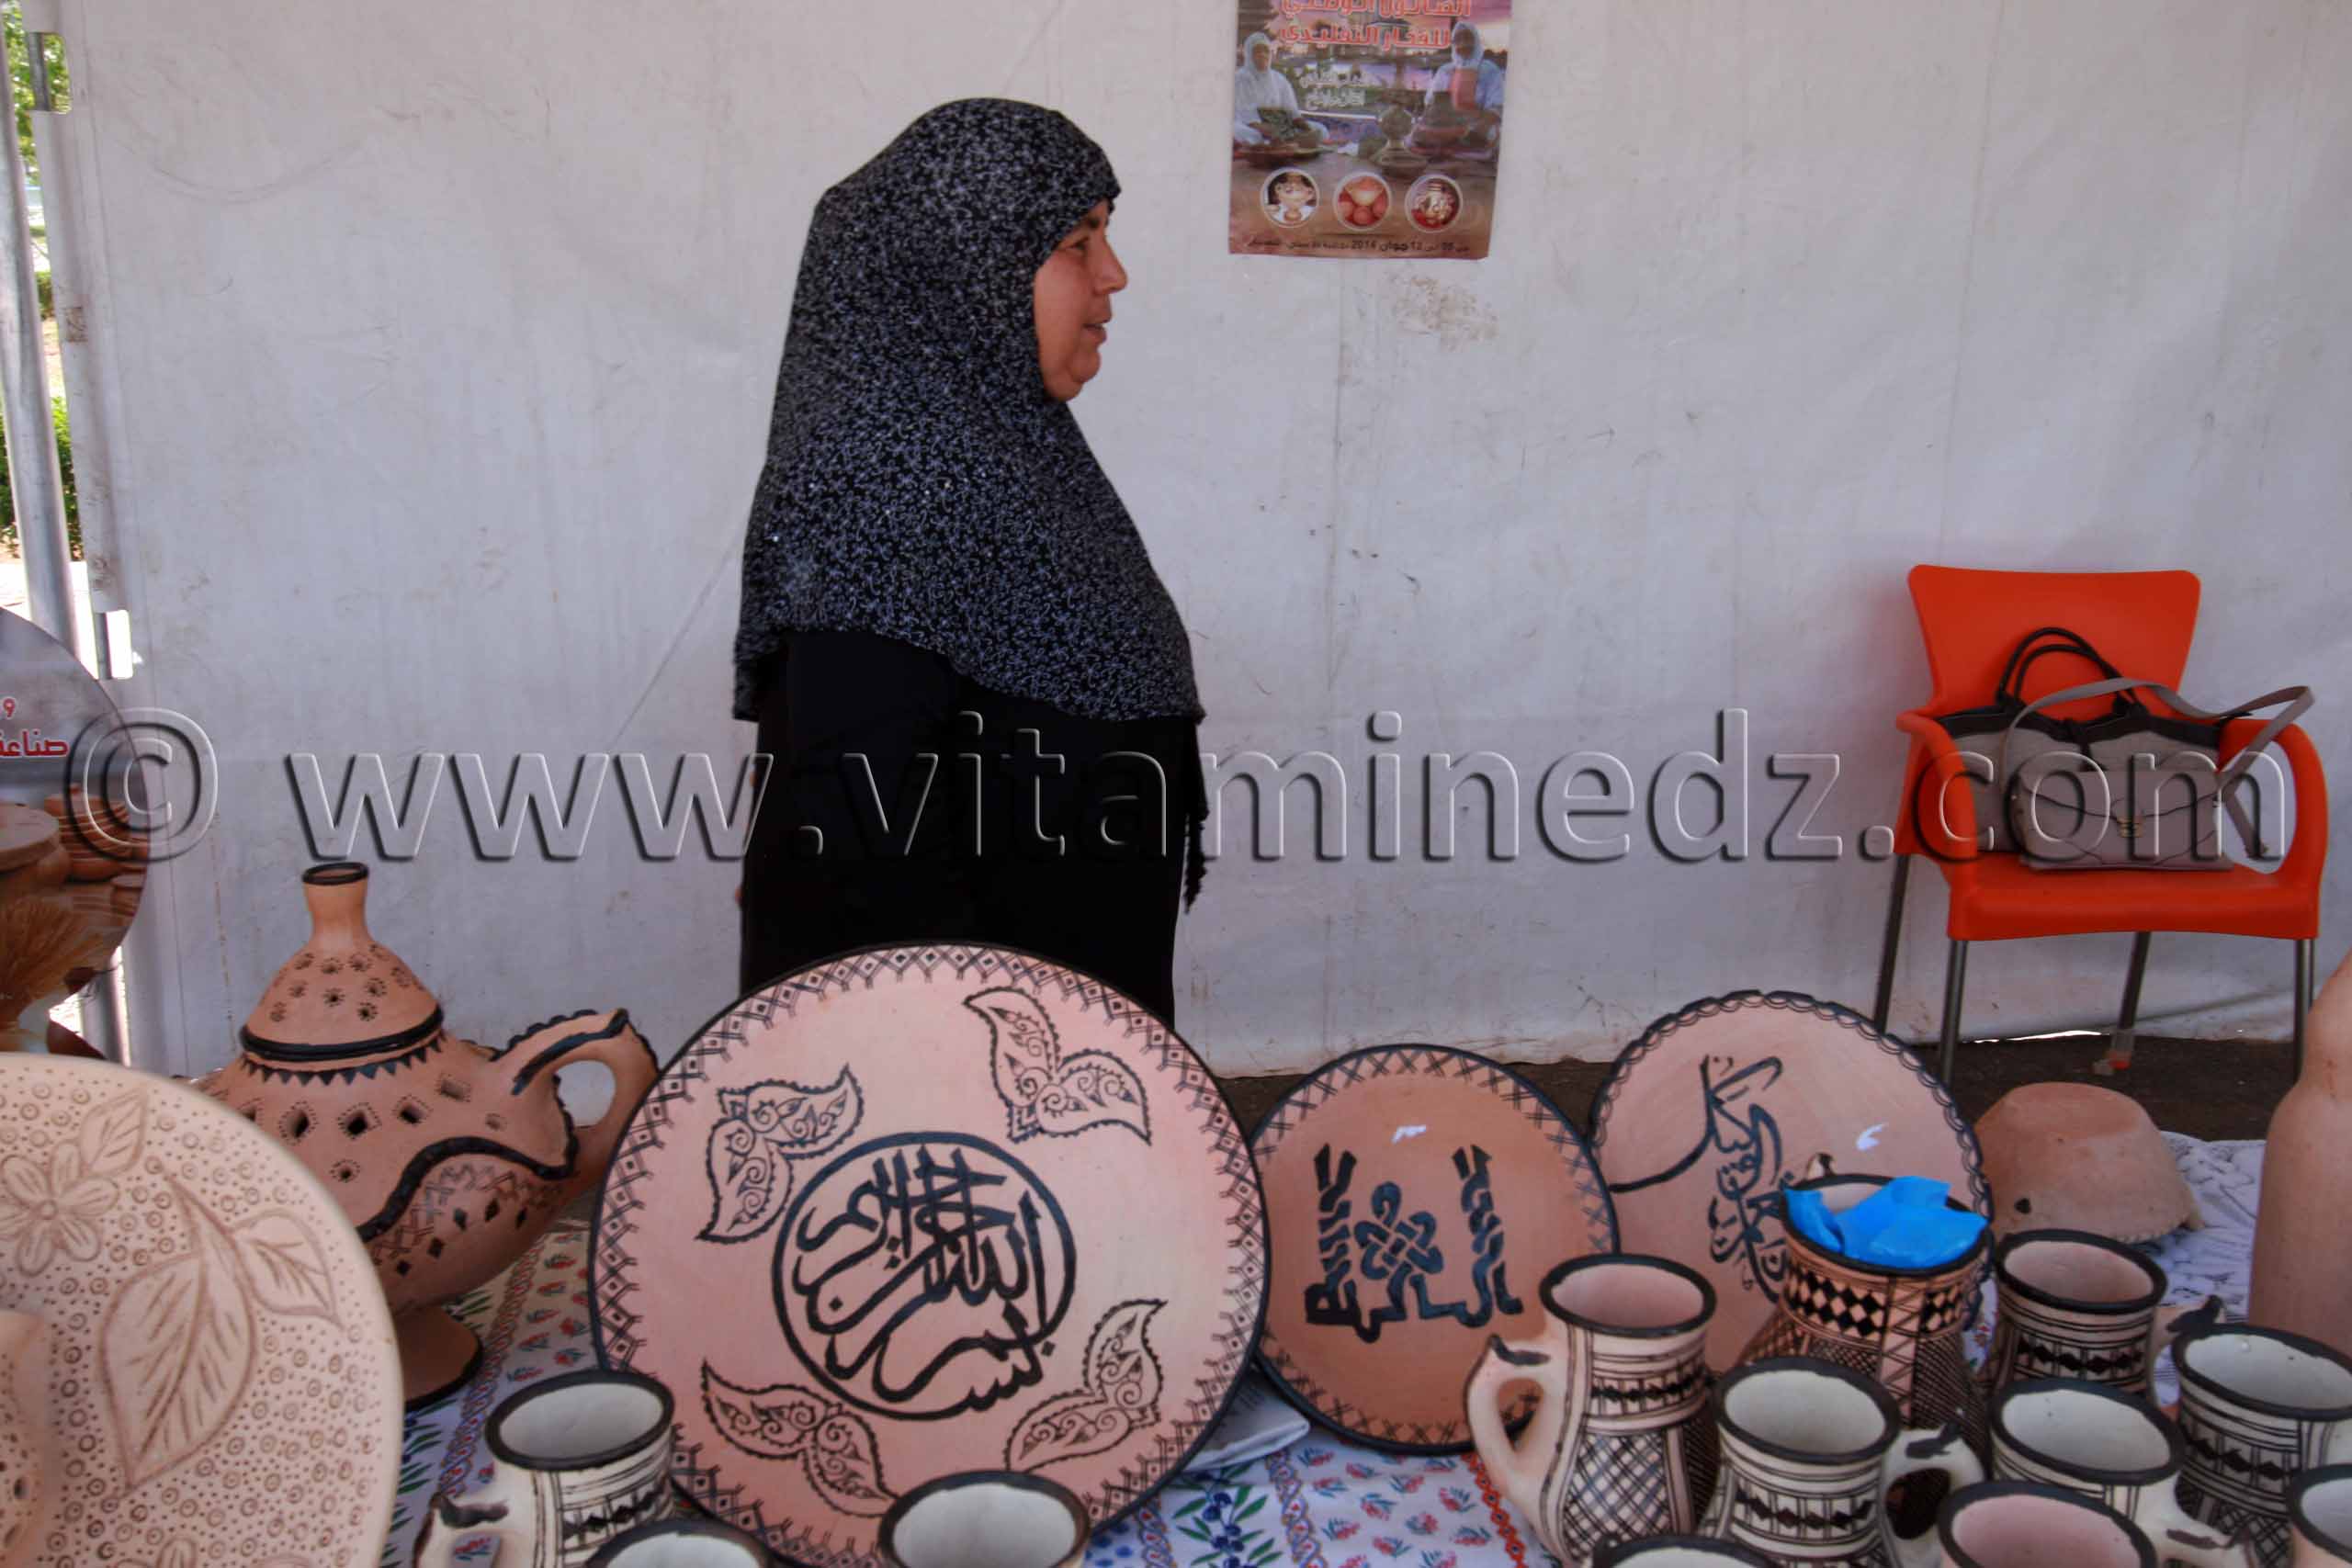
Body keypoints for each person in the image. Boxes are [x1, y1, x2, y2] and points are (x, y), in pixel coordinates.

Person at [733, 99, 1206, 1023]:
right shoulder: (878, 486)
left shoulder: (1002, 459)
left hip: (1048, 1052)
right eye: (1077, 241)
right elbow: (848, 864)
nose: (1114, 274)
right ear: (960, 265)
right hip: (958, 1095)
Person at [1233, 32, 1302, 144]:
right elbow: (1247, 117)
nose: (1263, 55)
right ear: (1249, 55)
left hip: (1276, 124)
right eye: (1257, 51)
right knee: (1253, 136)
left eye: (1266, 51)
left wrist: (1305, 127)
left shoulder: (1279, 79)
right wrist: (1273, 130)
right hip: (1245, 124)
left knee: (1320, 130)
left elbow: (1292, 111)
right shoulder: (1241, 78)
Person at [1425, 22, 1505, 117]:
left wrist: (1475, 129)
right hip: (1447, 125)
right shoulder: (1444, 71)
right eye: (1458, 39)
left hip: (1480, 127)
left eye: (1467, 38)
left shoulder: (1490, 70)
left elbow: (1497, 108)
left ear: (1476, 41)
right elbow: (1430, 102)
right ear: (1453, 44)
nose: (1463, 44)